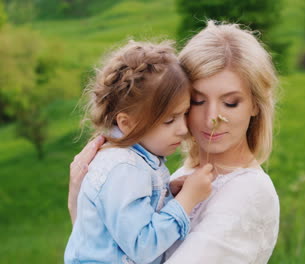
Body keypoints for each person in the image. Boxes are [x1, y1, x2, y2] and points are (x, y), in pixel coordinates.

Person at [69, 21, 280, 263]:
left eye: (230, 103)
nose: (212, 117)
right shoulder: (177, 176)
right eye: (197, 101)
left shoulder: (250, 192)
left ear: (255, 104)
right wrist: (80, 200)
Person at [65, 40, 214, 264]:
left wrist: (167, 193)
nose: (183, 129)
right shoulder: (124, 168)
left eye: (184, 114)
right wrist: (186, 199)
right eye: (169, 120)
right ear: (127, 123)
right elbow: (142, 246)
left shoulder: (133, 159)